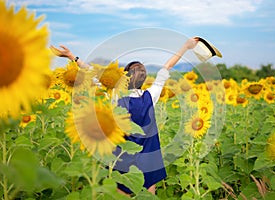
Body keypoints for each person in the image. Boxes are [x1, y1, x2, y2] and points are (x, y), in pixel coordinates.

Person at [50, 37, 199, 195]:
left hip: (122, 156)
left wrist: (72, 56)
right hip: (148, 156)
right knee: (148, 197)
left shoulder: (115, 94)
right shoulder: (151, 95)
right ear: (143, 78)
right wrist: (185, 46)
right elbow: (167, 66)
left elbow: (91, 73)